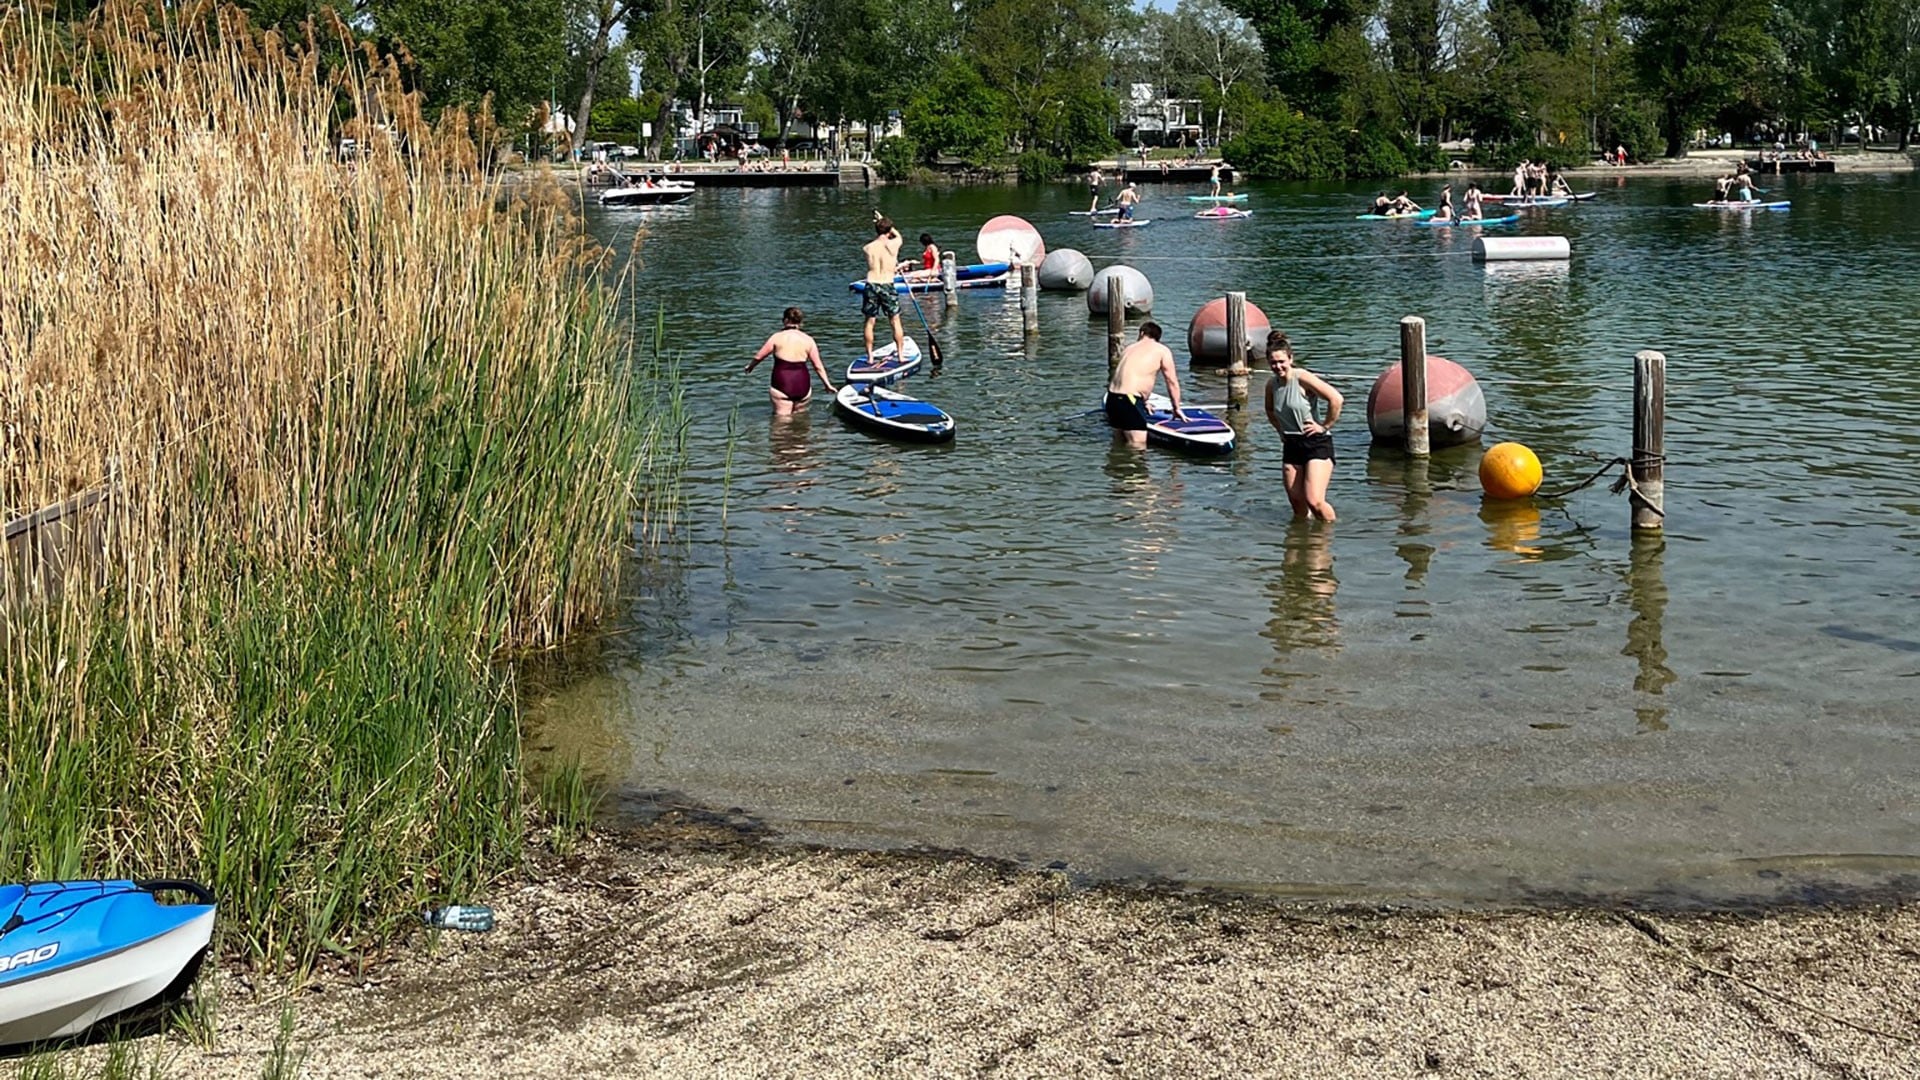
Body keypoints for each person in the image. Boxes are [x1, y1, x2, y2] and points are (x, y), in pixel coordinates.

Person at [1262, 330, 1343, 521]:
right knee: (1297, 503)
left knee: (1314, 500)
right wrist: (1280, 430)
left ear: (1290, 358)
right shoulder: (1271, 384)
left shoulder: (1302, 377)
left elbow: (1336, 399)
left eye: (1281, 361)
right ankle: (1302, 542)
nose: (1278, 366)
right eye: (1273, 362)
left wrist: (1324, 426)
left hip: (1315, 442)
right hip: (1291, 444)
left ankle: (1328, 535)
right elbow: (1270, 410)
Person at [1105, 322, 1184, 449]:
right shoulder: (1162, 350)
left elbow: (1127, 377)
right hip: (1129, 401)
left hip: (1112, 398)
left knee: (1118, 444)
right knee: (1138, 446)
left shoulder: (1129, 348)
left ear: (1142, 333)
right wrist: (1176, 408)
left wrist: (1143, 402)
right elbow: (1172, 381)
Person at [745, 307, 836, 416]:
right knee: (800, 420)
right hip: (803, 384)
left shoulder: (776, 337)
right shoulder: (808, 340)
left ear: (785, 320)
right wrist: (827, 384)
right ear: (801, 322)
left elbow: (759, 356)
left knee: (782, 423)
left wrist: (750, 366)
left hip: (782, 383)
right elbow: (818, 366)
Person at [861, 213, 906, 362]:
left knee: (870, 321)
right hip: (887, 283)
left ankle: (870, 357)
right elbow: (897, 235)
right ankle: (900, 355)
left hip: (871, 283)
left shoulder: (867, 248)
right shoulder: (894, 243)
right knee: (895, 320)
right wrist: (885, 222)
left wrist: (880, 223)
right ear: (889, 230)